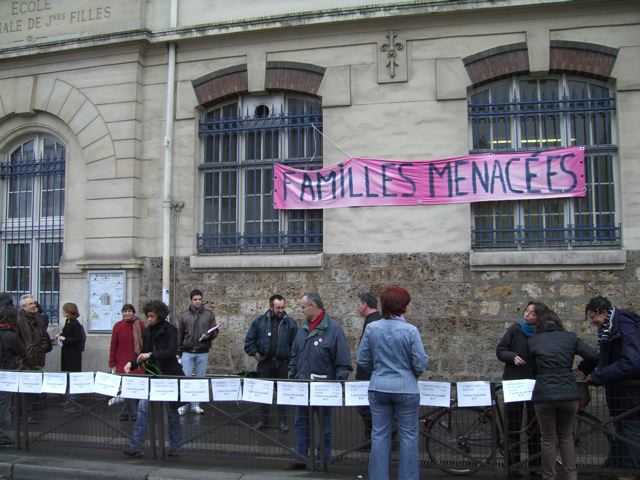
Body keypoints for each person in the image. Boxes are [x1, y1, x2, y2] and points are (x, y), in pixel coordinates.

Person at [357, 287, 428, 480]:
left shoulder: (372, 328)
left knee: (379, 435)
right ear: (403, 307)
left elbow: (362, 359)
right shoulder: (410, 331)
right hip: (406, 388)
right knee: (408, 437)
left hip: (379, 386)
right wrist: (409, 374)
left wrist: (378, 371)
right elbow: (420, 362)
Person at [528, 308, 598, 480]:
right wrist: (580, 370)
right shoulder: (570, 338)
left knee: (547, 439)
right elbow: (593, 356)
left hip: (544, 394)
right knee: (566, 436)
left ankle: (549, 476)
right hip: (568, 393)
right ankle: (571, 476)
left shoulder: (533, 341)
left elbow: (530, 368)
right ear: (558, 322)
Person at [286, 293, 352, 470]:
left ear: (314, 306)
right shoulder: (303, 328)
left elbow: (343, 359)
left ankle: (322, 459)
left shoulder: (333, 329)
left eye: (303, 307)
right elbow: (295, 352)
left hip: (324, 388)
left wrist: (340, 380)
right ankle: (301, 457)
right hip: (303, 384)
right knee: (301, 422)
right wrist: (292, 371)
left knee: (324, 425)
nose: (301, 310)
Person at [579, 296, 640, 479]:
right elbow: (605, 355)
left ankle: (633, 471)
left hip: (631, 391)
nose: (591, 322)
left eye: (592, 317)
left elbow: (631, 362)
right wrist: (584, 369)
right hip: (620, 391)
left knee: (631, 428)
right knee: (621, 427)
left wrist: (599, 376)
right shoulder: (611, 329)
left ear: (603, 312)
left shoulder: (625, 327)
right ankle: (622, 467)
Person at [123, 300, 184, 457]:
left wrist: (151, 354)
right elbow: (143, 353)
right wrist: (132, 363)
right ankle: (136, 445)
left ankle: (175, 446)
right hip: (153, 375)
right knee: (143, 409)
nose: (149, 319)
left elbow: (171, 351)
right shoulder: (148, 331)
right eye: (148, 316)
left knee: (172, 411)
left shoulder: (171, 330)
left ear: (160, 315)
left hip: (170, 375)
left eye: (152, 316)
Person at [496, 301, 544, 471]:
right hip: (515, 382)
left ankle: (535, 464)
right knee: (513, 425)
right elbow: (500, 350)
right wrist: (512, 356)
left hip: (534, 383)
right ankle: (513, 465)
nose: (526, 315)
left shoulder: (541, 332)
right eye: (526, 311)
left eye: (531, 313)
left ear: (538, 316)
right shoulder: (515, 329)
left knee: (534, 426)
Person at [244, 294, 298, 432]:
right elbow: (249, 341)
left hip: (283, 363)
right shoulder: (259, 322)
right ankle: (263, 420)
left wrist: (291, 361)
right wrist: (255, 354)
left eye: (283, 307)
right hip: (265, 362)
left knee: (282, 393)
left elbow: (296, 345)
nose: (281, 310)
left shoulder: (290, 323)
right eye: (278, 307)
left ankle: (283, 422)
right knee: (263, 392)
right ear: (271, 307)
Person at [177, 289, 218, 415]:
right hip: (187, 351)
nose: (198, 301)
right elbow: (180, 334)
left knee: (200, 379)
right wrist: (179, 351)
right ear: (191, 300)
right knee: (186, 378)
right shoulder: (184, 315)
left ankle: (196, 404)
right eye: (195, 299)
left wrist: (209, 336)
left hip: (202, 350)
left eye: (200, 299)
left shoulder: (209, 315)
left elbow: (215, 331)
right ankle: (183, 405)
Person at [0, 293, 30, 447]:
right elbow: (23, 352)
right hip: (6, 374)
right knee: (4, 406)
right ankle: (3, 436)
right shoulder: (10, 336)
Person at [109, 304, 145, 421]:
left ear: (133, 312)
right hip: (121, 361)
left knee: (134, 388)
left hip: (136, 361)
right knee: (125, 388)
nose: (127, 313)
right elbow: (113, 345)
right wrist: (112, 361)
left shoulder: (140, 325)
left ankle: (126, 413)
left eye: (130, 311)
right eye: (125, 311)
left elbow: (144, 342)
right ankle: (132, 413)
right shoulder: (117, 326)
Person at [355, 292, 382, 443]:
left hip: (369, 376)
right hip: (370, 375)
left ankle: (372, 441)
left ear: (365, 304)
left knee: (368, 410)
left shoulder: (373, 323)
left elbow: (365, 354)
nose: (358, 307)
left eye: (359, 304)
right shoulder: (373, 320)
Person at [16, 295, 49, 369]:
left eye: (34, 303)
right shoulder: (18, 319)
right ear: (23, 306)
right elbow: (17, 340)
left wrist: (43, 348)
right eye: (30, 304)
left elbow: (44, 335)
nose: (34, 305)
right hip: (24, 360)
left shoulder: (39, 317)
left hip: (39, 358)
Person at [57, 303, 86, 372]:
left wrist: (65, 339)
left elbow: (78, 338)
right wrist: (60, 335)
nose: (62, 312)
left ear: (69, 311)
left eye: (64, 310)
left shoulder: (76, 324)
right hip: (66, 351)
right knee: (65, 369)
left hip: (73, 353)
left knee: (72, 370)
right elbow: (66, 333)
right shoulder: (67, 321)